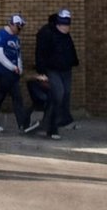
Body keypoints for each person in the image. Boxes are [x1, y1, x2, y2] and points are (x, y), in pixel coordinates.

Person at [0, 14, 38, 133]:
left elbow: (18, 54)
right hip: (2, 72)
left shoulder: (16, 38)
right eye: (18, 27)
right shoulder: (0, 35)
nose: (19, 30)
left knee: (17, 98)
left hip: (13, 74)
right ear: (11, 24)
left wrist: (19, 67)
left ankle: (22, 124)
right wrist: (12, 67)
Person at [35, 8, 79, 140]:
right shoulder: (47, 34)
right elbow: (40, 53)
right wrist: (42, 71)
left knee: (65, 93)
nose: (67, 28)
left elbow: (70, 49)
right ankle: (52, 125)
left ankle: (59, 119)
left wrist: (73, 61)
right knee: (58, 94)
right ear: (59, 24)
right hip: (52, 69)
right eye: (65, 25)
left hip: (65, 68)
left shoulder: (65, 35)